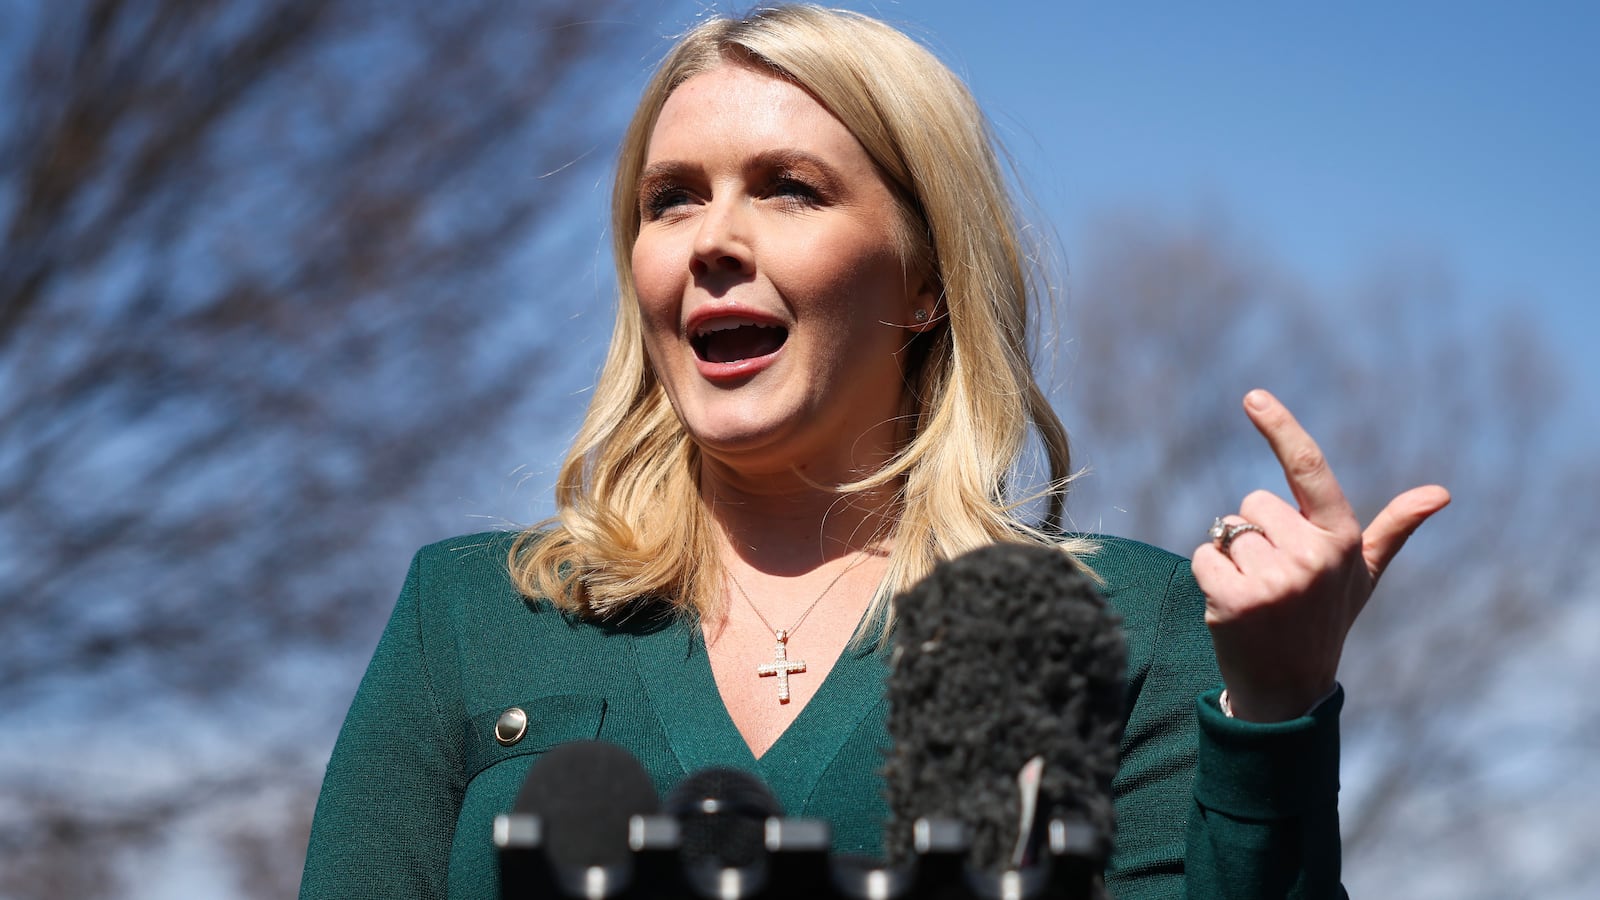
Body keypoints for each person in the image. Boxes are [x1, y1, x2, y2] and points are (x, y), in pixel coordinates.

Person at [298, 6, 1449, 899]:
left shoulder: (1130, 626)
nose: (713, 242)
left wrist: (1277, 714)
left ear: (927, 282)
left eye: (789, 190)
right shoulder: (468, 615)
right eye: (670, 199)